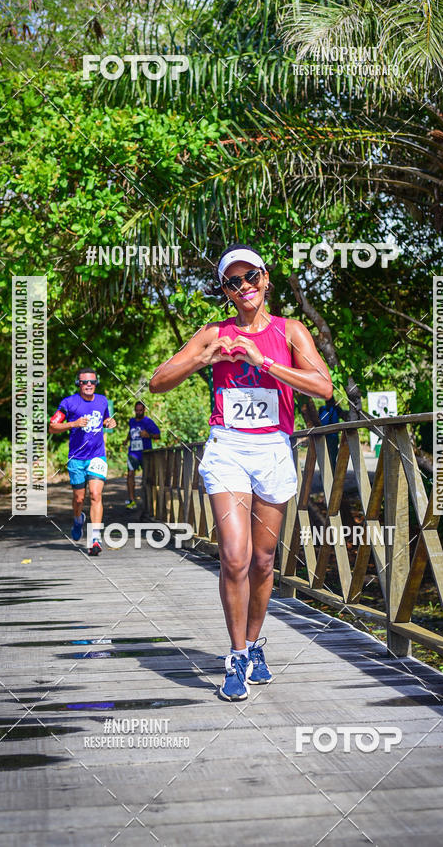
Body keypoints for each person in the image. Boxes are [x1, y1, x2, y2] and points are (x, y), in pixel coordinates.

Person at [149, 244, 333, 700]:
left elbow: (324, 387)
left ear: (266, 279)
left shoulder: (291, 331)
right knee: (235, 557)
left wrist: (263, 362)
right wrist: (203, 359)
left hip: (273, 448)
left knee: (265, 560)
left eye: (251, 276)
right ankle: (234, 656)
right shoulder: (214, 332)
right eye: (233, 281)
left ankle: (254, 645)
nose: (244, 286)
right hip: (228, 447)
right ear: (226, 291)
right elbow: (157, 381)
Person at [49, 368, 116, 556]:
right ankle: (78, 519)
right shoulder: (69, 403)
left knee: (96, 495)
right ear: (78, 383)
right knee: (79, 499)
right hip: (76, 459)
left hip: (97, 456)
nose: (89, 385)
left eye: (92, 382)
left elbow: (106, 419)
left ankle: (95, 539)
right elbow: (52, 427)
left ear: (96, 384)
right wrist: (73, 424)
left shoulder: (102, 400)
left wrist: (110, 423)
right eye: (84, 382)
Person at [123, 401, 160, 511]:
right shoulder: (132, 421)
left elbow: (158, 435)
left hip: (145, 453)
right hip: (133, 453)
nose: (138, 412)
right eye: (137, 410)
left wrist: (148, 435)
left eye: (140, 410)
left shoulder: (148, 422)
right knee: (130, 475)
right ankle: (132, 500)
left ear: (144, 410)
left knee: (148, 477)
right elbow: (131, 432)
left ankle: (150, 501)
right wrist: (126, 440)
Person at [318, 395, 341, 467]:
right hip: (331, 436)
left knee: (327, 455)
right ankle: (331, 472)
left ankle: (329, 472)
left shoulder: (322, 409)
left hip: (326, 435)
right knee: (332, 456)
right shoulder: (335, 408)